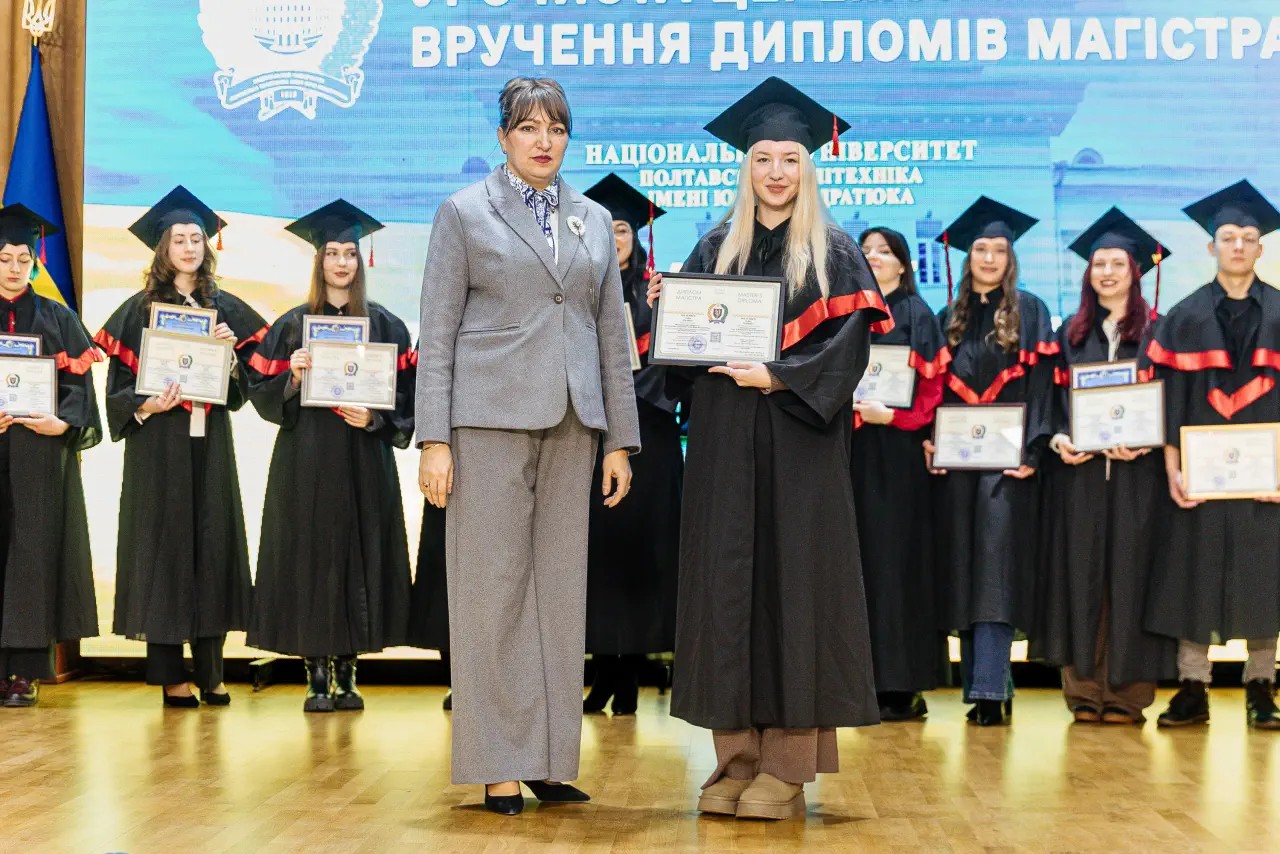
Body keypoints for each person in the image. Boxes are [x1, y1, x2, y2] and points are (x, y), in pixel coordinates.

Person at [650, 77, 892, 821]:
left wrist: (780, 376)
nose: (777, 171)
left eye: (790, 158)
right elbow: (681, 362)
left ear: (808, 166)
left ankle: (787, 766)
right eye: (763, 158)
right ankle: (736, 758)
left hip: (799, 447)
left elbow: (847, 354)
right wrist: (666, 314)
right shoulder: (714, 246)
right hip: (724, 443)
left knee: (796, 590)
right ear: (746, 166)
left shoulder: (836, 252)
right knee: (725, 593)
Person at [415, 77, 641, 816]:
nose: (544, 141)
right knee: (492, 595)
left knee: (558, 595)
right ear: (503, 136)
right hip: (486, 423)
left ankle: (548, 759)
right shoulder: (463, 212)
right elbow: (437, 333)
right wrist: (434, 438)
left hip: (574, 423)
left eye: (557, 129)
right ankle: (498, 765)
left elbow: (611, 337)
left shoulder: (592, 217)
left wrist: (620, 439)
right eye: (529, 127)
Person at [94, 186, 267, 708]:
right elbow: (117, 393)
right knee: (164, 552)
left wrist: (229, 357)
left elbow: (243, 390)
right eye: (179, 239)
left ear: (206, 246)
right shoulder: (138, 311)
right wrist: (147, 404)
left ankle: (212, 673)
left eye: (196, 238)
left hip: (210, 444)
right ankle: (172, 675)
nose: (189, 247)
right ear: (162, 248)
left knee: (212, 549)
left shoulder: (224, 309)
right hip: (158, 449)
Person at [247, 200, 415, 713]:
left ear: (360, 261)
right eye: (332, 254)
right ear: (318, 261)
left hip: (363, 458)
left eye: (349, 253)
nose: (341, 262)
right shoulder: (292, 326)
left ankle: (348, 671)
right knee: (311, 557)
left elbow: (410, 398)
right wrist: (294, 378)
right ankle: (315, 673)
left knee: (359, 553)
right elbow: (261, 394)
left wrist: (377, 419)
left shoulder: (386, 326)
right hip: (308, 459)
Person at [1145, 180, 1280, 730]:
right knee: (1193, 574)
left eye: (1248, 238)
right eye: (1228, 237)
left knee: (1264, 575)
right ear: (1212, 246)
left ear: (1260, 248)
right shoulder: (1185, 316)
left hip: (1266, 477)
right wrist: (1172, 467)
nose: (1238, 246)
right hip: (1200, 476)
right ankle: (1192, 686)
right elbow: (1171, 397)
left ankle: (1262, 686)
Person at [1033, 208, 1176, 725]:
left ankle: (1127, 695)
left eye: (1118, 263)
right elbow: (1047, 404)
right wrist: (1059, 441)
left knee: (1133, 576)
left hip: (1140, 476)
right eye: (1099, 264)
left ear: (1135, 272)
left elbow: (1175, 400)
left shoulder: (1161, 332)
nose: (1108, 272)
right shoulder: (1069, 334)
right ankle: (1084, 691)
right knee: (1082, 575)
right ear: (1088, 273)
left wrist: (1149, 441)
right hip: (1082, 476)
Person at [923, 196, 1057, 727]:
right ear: (967, 257)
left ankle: (990, 688)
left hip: (1007, 466)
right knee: (962, 568)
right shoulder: (947, 318)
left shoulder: (1031, 312)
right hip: (957, 466)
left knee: (996, 570)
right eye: (980, 249)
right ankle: (982, 686)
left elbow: (1043, 386)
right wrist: (930, 440)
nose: (989, 258)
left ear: (1010, 258)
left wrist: (1033, 450)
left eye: (999, 250)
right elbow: (932, 392)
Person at [580, 174, 682, 716]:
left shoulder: (658, 290)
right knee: (599, 558)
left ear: (636, 236)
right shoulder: (577, 285)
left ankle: (631, 675)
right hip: (591, 438)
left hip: (650, 439)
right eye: (605, 228)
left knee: (643, 555)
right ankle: (603, 670)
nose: (614, 237)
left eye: (621, 228)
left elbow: (674, 365)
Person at [0, 205, 102, 707]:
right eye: (4, 258)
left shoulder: (58, 318)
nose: (15, 268)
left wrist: (62, 423)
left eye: (24, 258)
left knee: (31, 556)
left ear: (36, 261)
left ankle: (24, 671)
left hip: (39, 455)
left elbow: (80, 392)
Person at [850, 226, 948, 722]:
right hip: (852, 451)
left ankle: (902, 684)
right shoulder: (849, 312)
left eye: (884, 251)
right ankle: (861, 682)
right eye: (866, 251)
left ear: (903, 264)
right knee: (861, 564)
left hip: (899, 454)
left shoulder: (917, 315)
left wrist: (894, 417)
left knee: (898, 564)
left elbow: (932, 390)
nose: (874, 257)